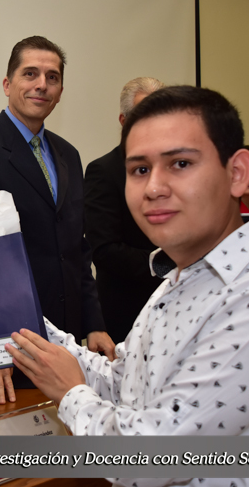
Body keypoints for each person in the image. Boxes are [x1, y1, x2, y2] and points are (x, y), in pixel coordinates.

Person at [7, 86, 249, 486]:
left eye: (180, 163)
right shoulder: (180, 278)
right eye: (139, 170)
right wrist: (16, 317)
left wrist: (71, 394)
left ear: (237, 173)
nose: (153, 188)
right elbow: (123, 382)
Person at [0, 36, 113, 404]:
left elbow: (76, 248)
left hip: (66, 343)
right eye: (30, 74)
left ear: (60, 92)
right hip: (7, 348)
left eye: (52, 77)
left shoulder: (69, 154)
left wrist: (94, 324)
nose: (42, 84)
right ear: (7, 84)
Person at [85, 77, 165, 342]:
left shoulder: (177, 169)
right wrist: (166, 264)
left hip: (179, 308)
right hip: (127, 316)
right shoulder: (104, 171)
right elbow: (104, 250)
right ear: (124, 121)